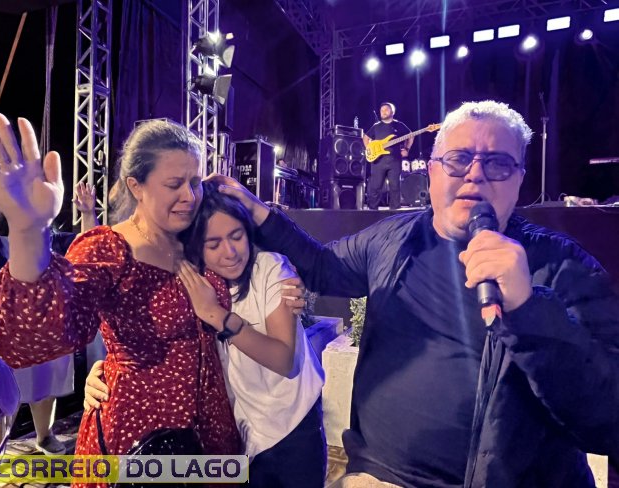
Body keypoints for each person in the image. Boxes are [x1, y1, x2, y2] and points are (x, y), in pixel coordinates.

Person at [215, 100, 619, 487]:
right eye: (459, 159)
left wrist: (529, 309)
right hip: (380, 477)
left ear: (519, 179)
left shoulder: (563, 265)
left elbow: (608, 419)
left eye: (497, 163)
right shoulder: (390, 239)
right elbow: (322, 266)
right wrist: (258, 211)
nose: (475, 174)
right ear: (432, 171)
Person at [0, 115, 243, 483]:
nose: (189, 196)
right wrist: (28, 232)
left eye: (195, 182)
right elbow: (38, 336)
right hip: (138, 434)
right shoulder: (109, 248)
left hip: (212, 430)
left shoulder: (203, 238)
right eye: (174, 184)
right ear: (136, 186)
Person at [84, 181, 326, 487]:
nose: (230, 252)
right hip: (244, 436)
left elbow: (284, 360)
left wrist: (216, 315)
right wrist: (106, 371)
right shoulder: (195, 282)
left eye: (237, 236)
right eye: (213, 244)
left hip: (293, 429)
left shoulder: (269, 268)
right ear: (196, 247)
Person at [0, 181, 98, 470]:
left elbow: (89, 251)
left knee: (45, 387)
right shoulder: (1, 242)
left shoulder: (58, 242)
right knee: (0, 389)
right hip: (2, 331)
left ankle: (44, 435)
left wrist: (88, 213)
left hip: (50, 331)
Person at [363, 102, 414, 210]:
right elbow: (365, 138)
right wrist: (370, 149)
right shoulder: (376, 126)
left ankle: (394, 212)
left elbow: (411, 136)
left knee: (395, 187)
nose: (383, 112)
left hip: (395, 161)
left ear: (392, 112)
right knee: (375, 187)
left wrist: (406, 149)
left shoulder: (399, 125)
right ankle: (372, 212)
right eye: (381, 110)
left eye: (386, 109)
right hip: (378, 161)